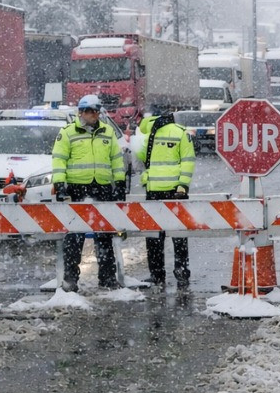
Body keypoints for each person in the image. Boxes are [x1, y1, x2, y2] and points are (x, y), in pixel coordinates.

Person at [51, 94, 128, 292]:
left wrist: (119, 183)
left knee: (104, 234)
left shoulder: (107, 132)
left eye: (96, 111)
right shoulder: (68, 133)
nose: (93, 114)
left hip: (102, 187)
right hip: (77, 188)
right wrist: (60, 185)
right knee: (74, 237)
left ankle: (107, 278)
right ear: (81, 112)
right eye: (89, 111)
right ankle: (71, 280)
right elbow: (59, 160)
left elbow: (116, 160)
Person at [133, 105, 195, 287]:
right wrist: (183, 185)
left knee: (154, 235)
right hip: (176, 190)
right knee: (179, 235)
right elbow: (188, 160)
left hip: (154, 190)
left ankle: (157, 274)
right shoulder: (181, 132)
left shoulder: (148, 134)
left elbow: (142, 158)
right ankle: (182, 272)